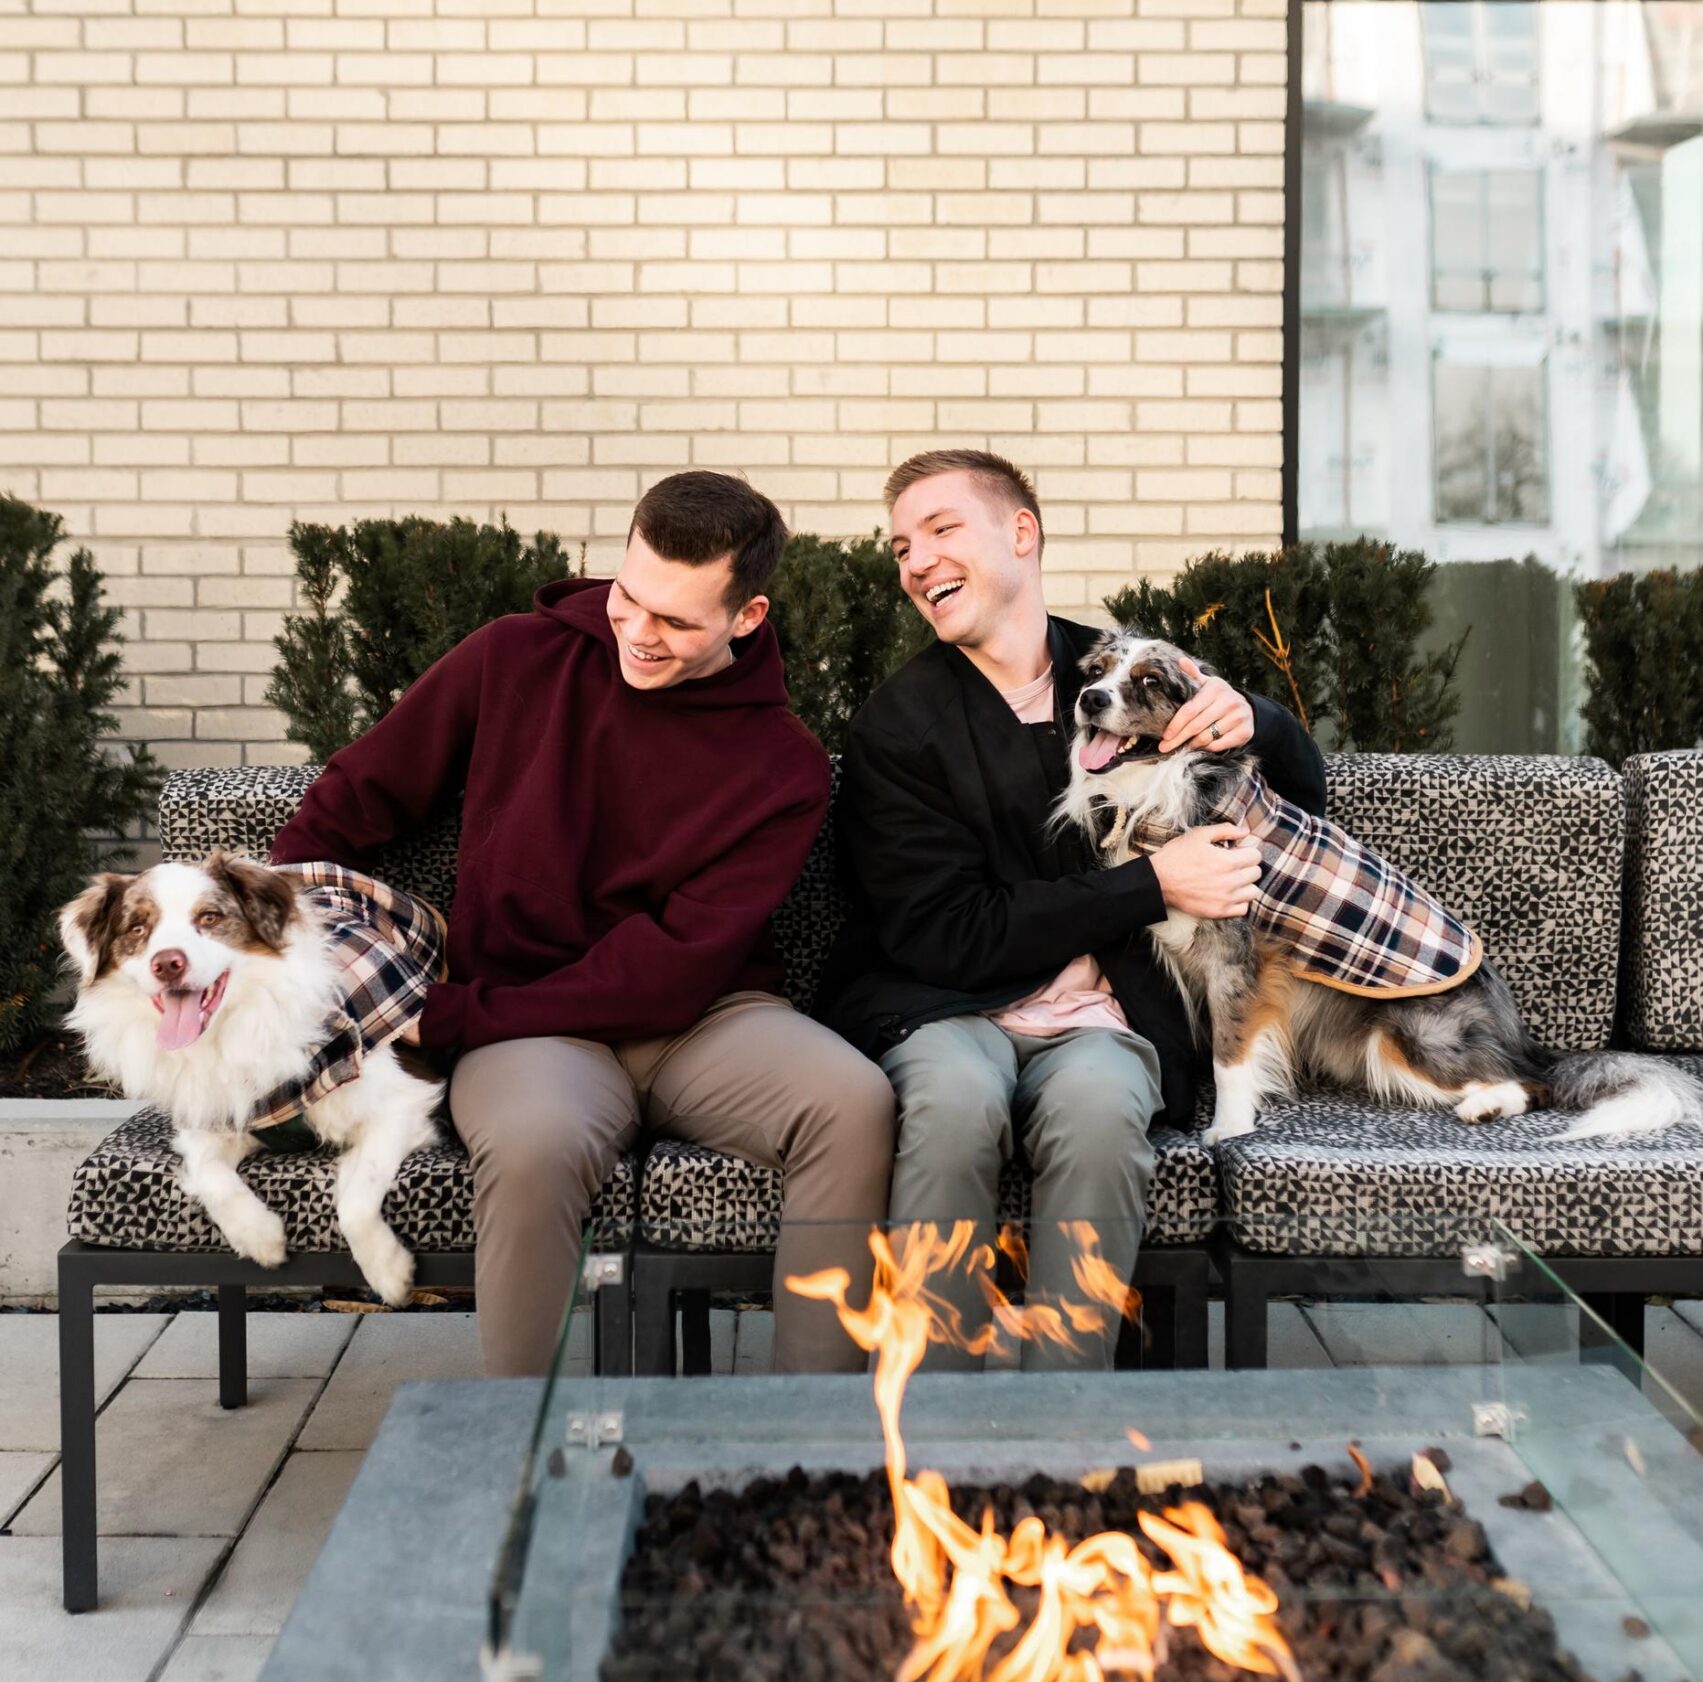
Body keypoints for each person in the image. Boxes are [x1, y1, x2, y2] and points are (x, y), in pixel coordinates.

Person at [269, 471, 895, 1375]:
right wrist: (268, 911)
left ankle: (804, 1438)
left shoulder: (780, 762)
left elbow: (675, 965)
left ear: (747, 618)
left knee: (852, 1100)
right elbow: (364, 791)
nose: (638, 634)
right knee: (534, 1142)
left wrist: (454, 1019)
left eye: (676, 622)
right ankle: (527, 1450)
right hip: (533, 1023)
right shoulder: (513, 658)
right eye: (628, 599)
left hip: (700, 1022)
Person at [822, 447, 1326, 1368]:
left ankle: (1062, 1421)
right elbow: (942, 934)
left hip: (1107, 1011)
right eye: (900, 547)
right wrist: (1151, 883)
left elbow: (1298, 796)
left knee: (1100, 1108)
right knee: (953, 1103)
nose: (915, 561)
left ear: (1022, 533)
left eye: (941, 530)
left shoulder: (1124, 674)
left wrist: (1260, 718)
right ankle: (930, 1414)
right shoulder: (898, 724)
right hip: (946, 1002)